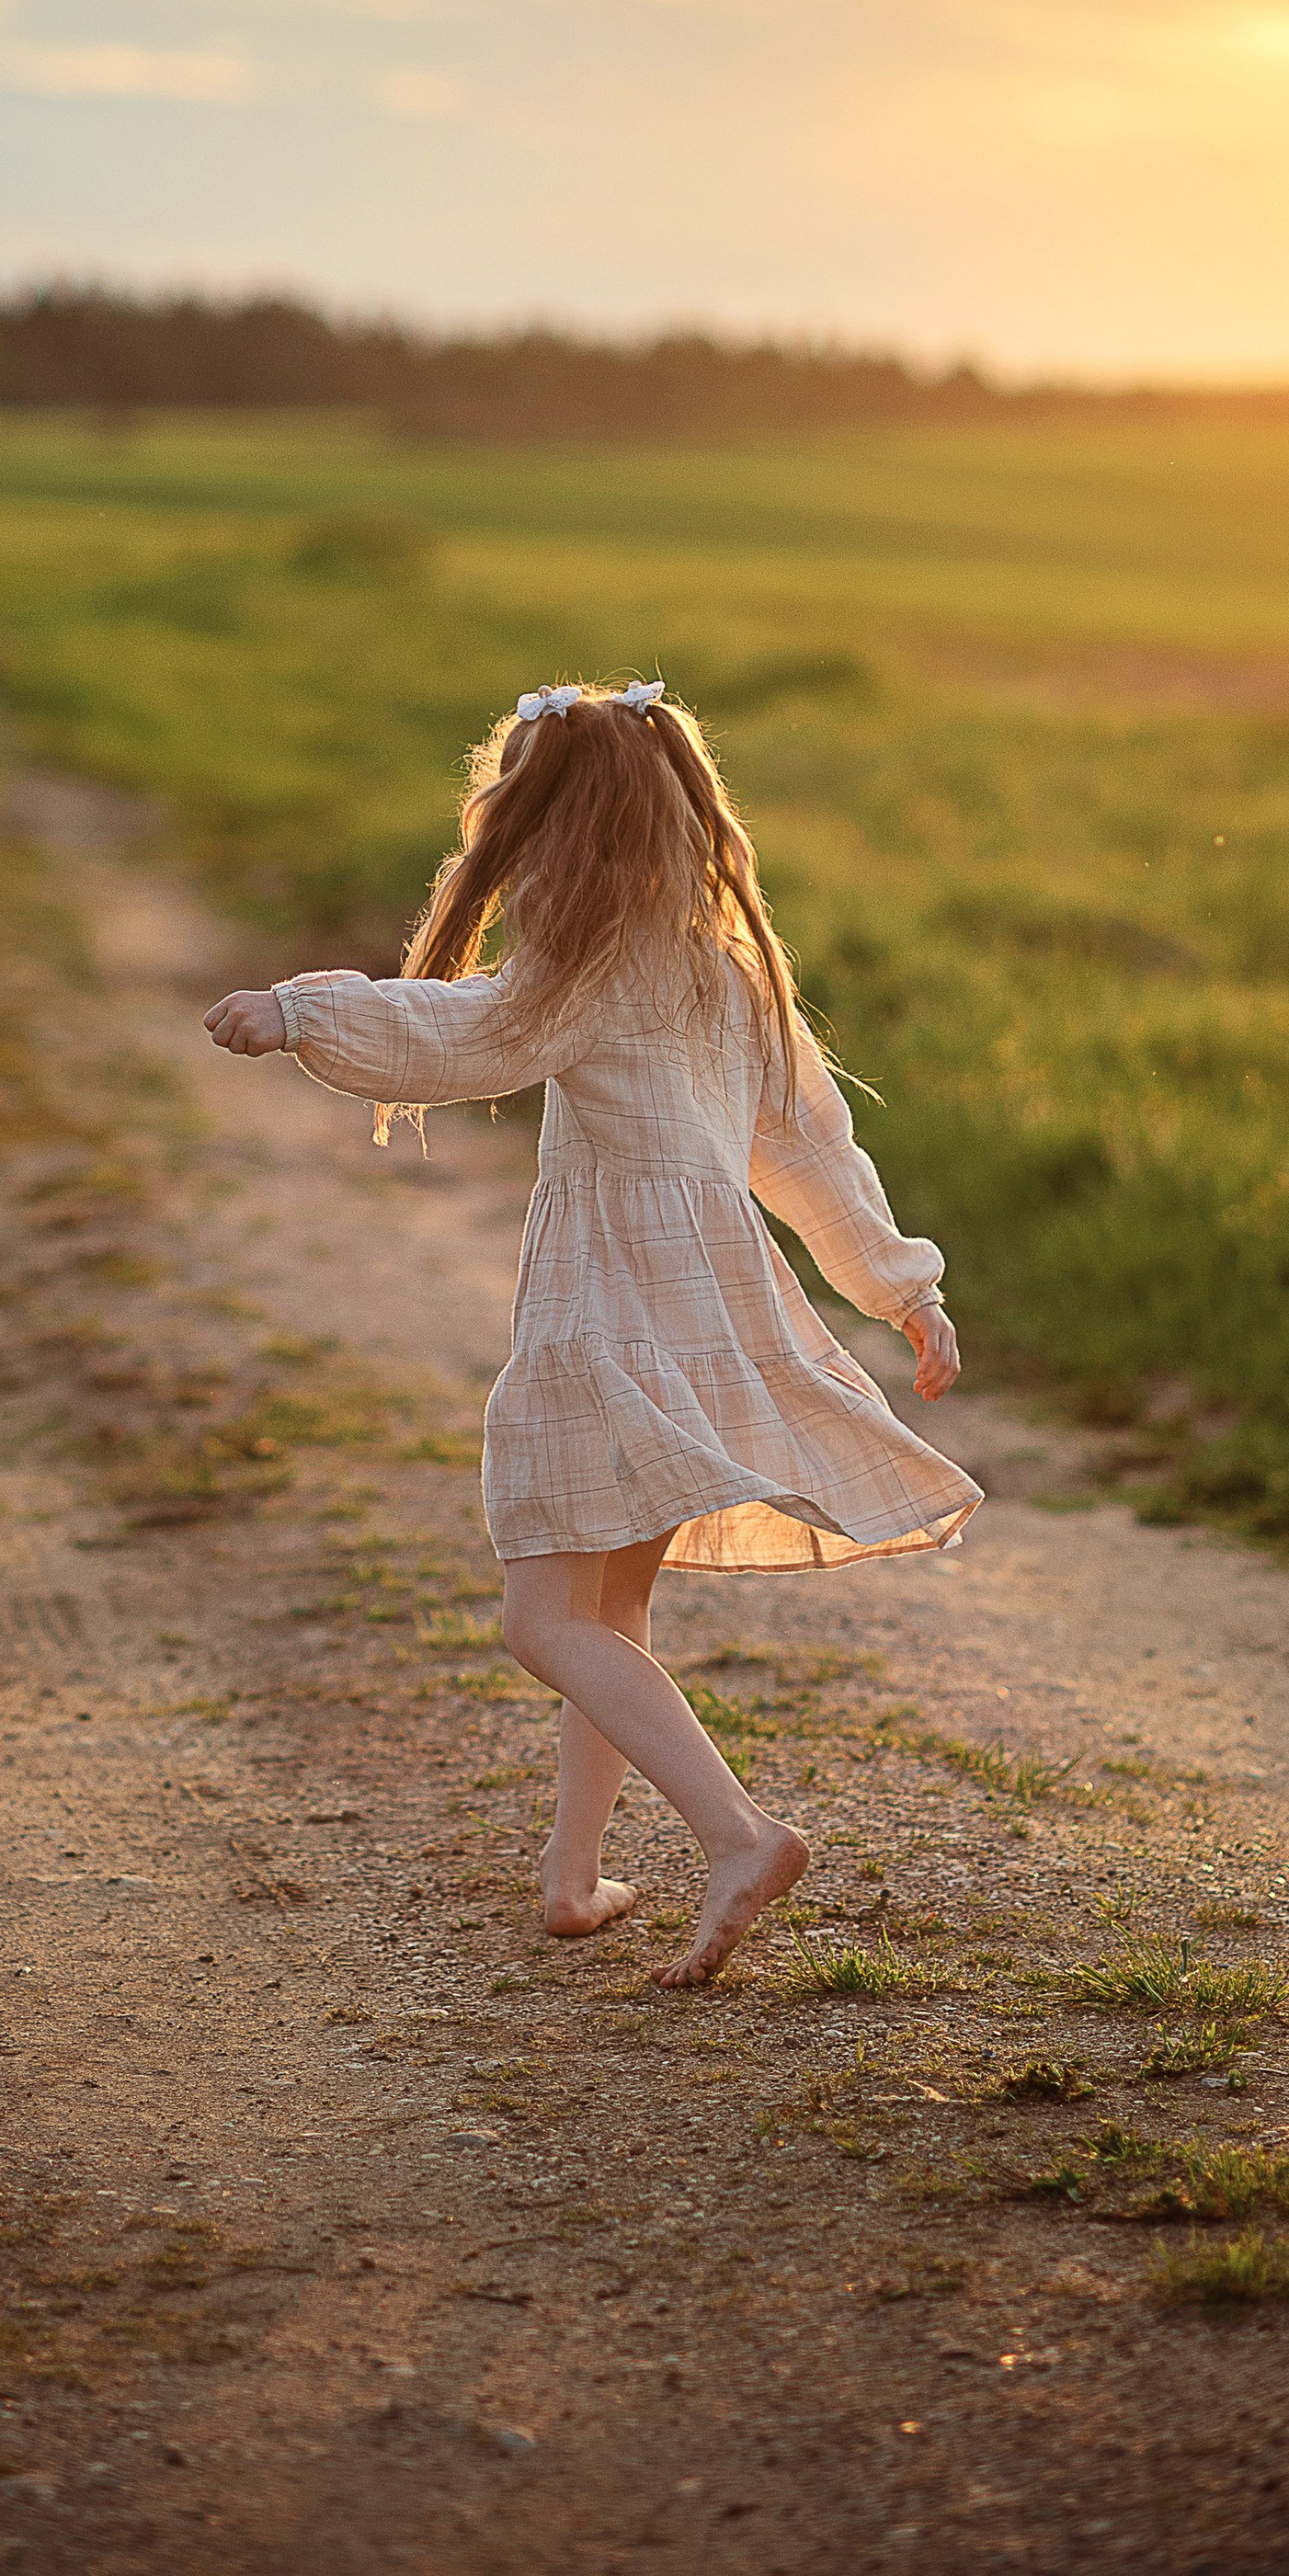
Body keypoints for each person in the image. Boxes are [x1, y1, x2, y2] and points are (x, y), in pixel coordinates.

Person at [204, 677, 981, 1986]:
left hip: (612, 1311)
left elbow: (471, 1031)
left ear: (544, 836)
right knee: (607, 1607)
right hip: (701, 1308)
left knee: (541, 1619)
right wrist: (904, 1287)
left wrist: (303, 1013)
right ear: (684, 824)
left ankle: (738, 1833)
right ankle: (572, 1882)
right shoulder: (727, 979)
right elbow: (811, 1152)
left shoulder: (587, 974)